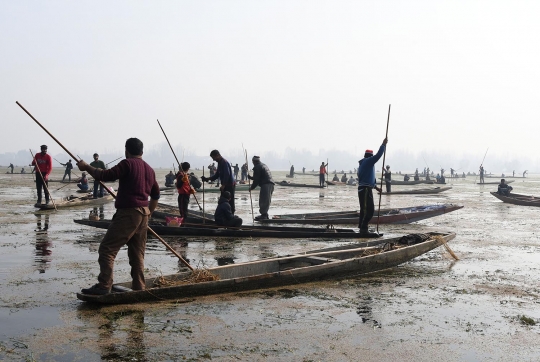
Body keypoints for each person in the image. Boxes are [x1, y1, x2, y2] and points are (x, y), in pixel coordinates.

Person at [76, 137, 160, 295]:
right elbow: (155, 195)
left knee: (107, 249)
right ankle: (139, 287)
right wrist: (149, 213)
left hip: (129, 213)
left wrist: (86, 166)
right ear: (142, 151)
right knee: (137, 254)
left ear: (126, 151)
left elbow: (105, 175)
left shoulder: (127, 163)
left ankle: (104, 286)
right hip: (143, 214)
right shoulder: (149, 169)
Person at [357, 138, 387, 234]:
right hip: (365, 189)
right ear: (370, 156)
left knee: (364, 209)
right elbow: (378, 156)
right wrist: (383, 145)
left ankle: (362, 227)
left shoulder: (363, 164)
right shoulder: (368, 161)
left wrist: (376, 187)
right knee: (369, 210)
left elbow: (367, 179)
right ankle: (363, 227)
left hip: (364, 189)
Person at [248, 155, 275, 220]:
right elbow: (259, 176)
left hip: (266, 184)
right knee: (266, 200)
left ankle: (264, 215)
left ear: (254, 161)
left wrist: (251, 188)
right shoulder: (263, 165)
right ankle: (265, 214)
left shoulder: (257, 167)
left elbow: (256, 180)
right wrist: (251, 177)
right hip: (270, 184)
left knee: (264, 200)